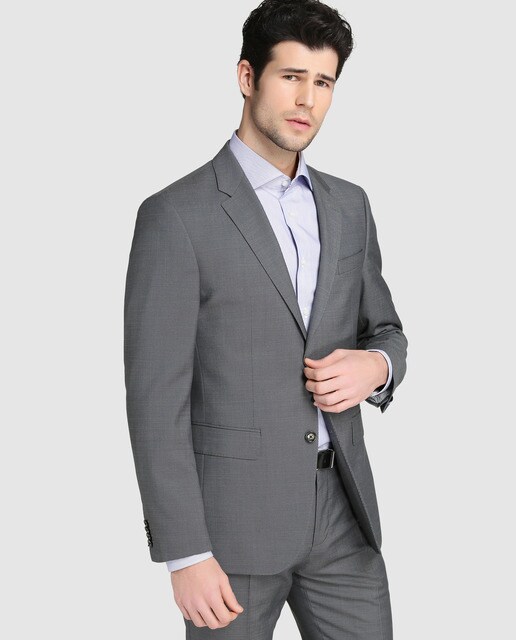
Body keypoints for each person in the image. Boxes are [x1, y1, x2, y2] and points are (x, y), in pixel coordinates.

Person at [123, 0, 408, 637]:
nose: (307, 100)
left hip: (344, 519)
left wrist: (377, 366)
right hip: (230, 534)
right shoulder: (176, 216)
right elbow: (154, 399)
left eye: (324, 82)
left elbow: (386, 329)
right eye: (291, 76)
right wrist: (185, 552)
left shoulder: (350, 205)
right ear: (247, 77)